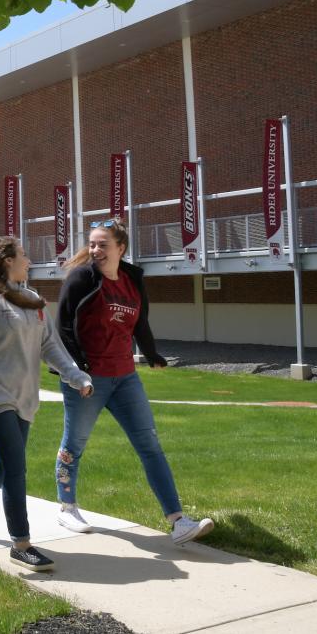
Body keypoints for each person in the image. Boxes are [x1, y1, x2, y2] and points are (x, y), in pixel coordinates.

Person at [54, 219, 214, 545]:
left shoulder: (131, 279)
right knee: (75, 444)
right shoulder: (81, 278)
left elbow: (140, 321)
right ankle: (67, 506)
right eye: (93, 244)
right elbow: (64, 327)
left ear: (120, 248)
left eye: (103, 245)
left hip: (125, 377)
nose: (96, 250)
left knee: (150, 445)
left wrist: (152, 353)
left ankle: (178, 521)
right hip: (88, 378)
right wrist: (76, 371)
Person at [0, 236, 93, 572]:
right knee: (16, 467)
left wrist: (77, 376)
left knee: (5, 466)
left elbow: (52, 347)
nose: (28, 260)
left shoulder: (32, 303)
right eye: (23, 255)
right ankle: (21, 544)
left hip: (24, 399)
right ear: (7, 261)